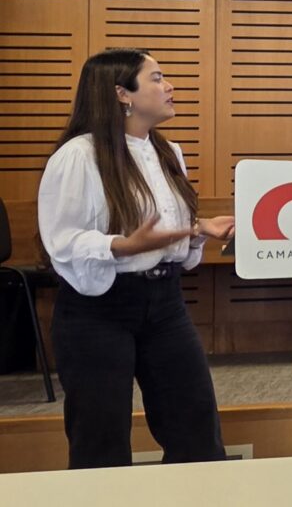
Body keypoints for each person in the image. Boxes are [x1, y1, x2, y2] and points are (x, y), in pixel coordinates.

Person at [37, 48, 235, 469]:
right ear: (122, 94)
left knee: (196, 429)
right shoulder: (78, 155)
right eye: (157, 78)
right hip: (98, 311)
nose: (170, 86)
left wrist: (198, 229)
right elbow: (61, 241)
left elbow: (166, 231)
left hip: (166, 304)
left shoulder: (168, 152)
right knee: (101, 440)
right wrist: (120, 246)